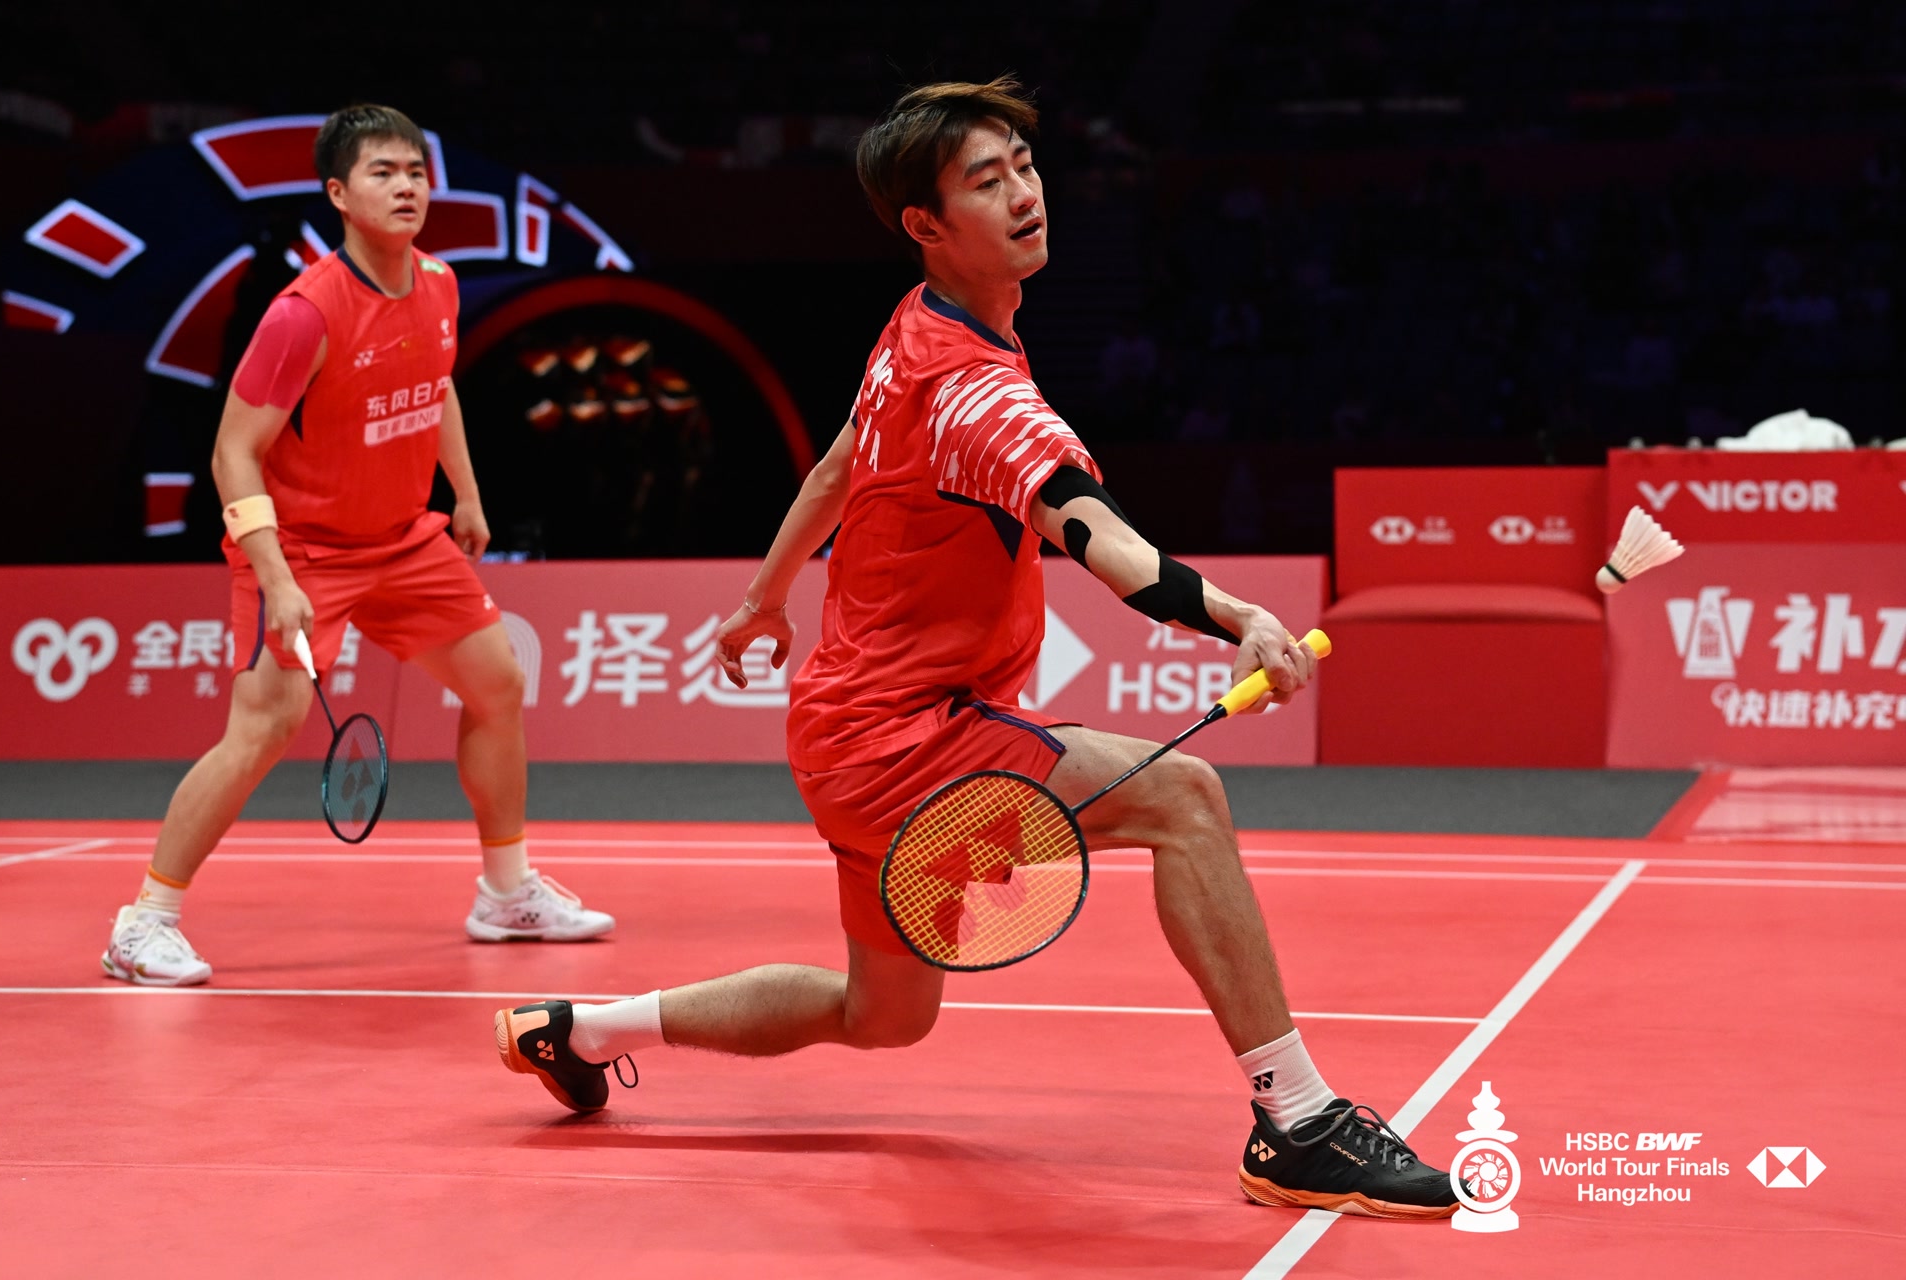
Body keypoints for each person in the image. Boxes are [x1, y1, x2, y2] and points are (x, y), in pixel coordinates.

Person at [493, 79, 1456, 1218]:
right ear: (927, 223)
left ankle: (578, 1030)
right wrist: (1240, 615)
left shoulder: (915, 327)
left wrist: (762, 600)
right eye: (986, 181)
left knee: (882, 1015)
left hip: (846, 734)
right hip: (908, 743)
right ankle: (1298, 1121)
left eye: (1024, 167)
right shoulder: (979, 398)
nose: (1025, 194)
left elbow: (840, 465)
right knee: (1184, 798)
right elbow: (1103, 542)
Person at [103, 105, 612, 987]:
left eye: (415, 171)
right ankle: (143, 921)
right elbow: (233, 453)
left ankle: (506, 892)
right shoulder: (303, 314)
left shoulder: (440, 282)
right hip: (303, 549)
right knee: (265, 728)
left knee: (496, 683)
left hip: (403, 540)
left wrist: (465, 493)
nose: (406, 186)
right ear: (339, 194)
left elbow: (435, 385)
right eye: (383, 172)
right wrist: (276, 577)